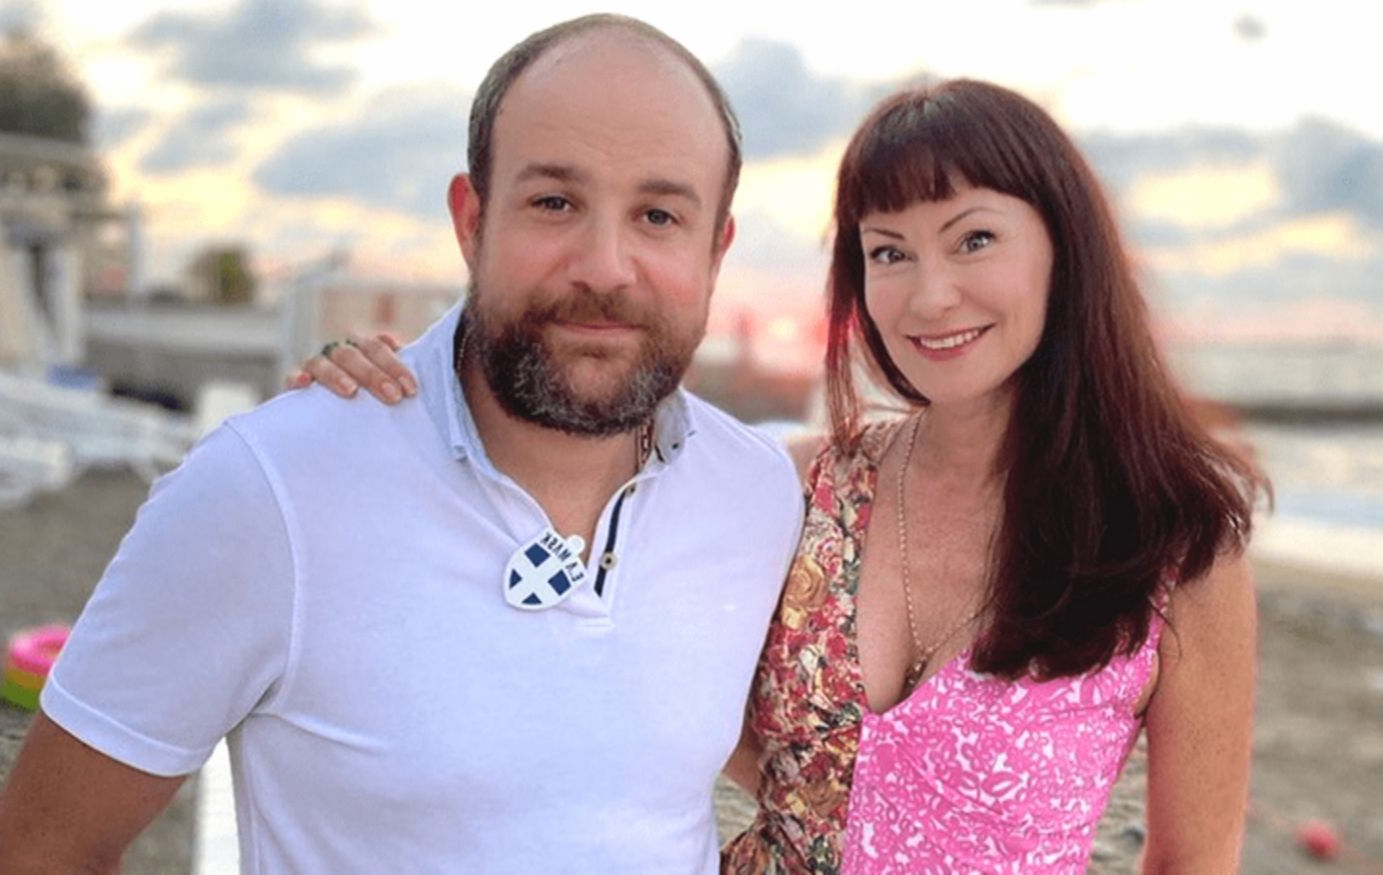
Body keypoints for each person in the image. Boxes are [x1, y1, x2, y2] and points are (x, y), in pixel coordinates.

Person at [309, 81, 1263, 873]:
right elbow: (558, 474)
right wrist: (404, 395)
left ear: (1063, 248)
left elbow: (1191, 861)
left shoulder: (1177, 551)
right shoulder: (795, 484)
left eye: (972, 239)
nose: (929, 294)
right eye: (888, 252)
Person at [0, 16, 805, 874]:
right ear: (471, 220)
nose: (605, 265)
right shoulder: (269, 490)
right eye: (554, 203)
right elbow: (42, 850)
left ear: (715, 249)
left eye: (659, 214)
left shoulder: (758, 496)